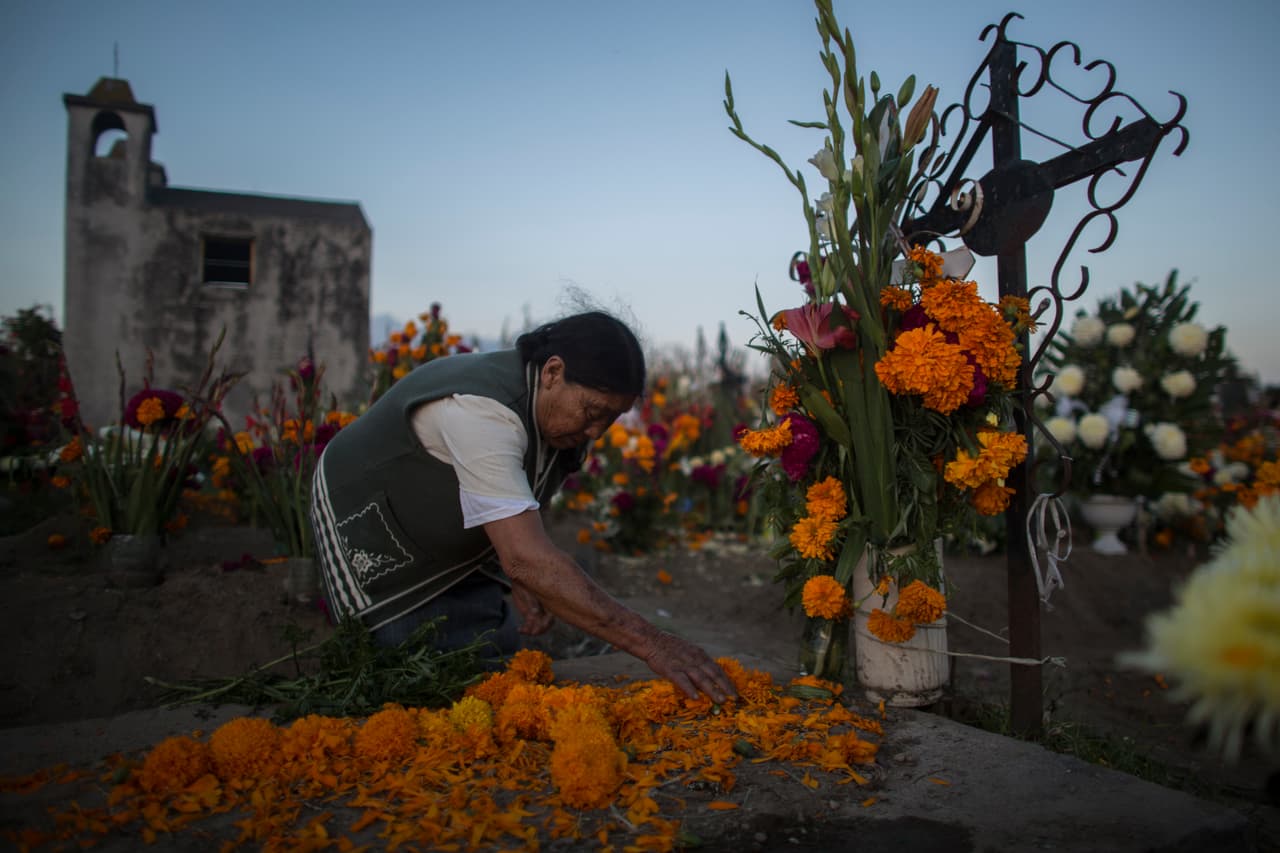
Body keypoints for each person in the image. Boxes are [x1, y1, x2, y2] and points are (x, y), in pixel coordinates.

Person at [310, 310, 735, 703]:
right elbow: (528, 559)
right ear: (553, 371)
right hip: (367, 510)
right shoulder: (483, 413)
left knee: (491, 661)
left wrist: (515, 573)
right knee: (407, 678)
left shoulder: (557, 416)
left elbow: (523, 511)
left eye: (612, 419)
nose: (597, 430)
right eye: (592, 411)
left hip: (449, 525)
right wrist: (655, 644)